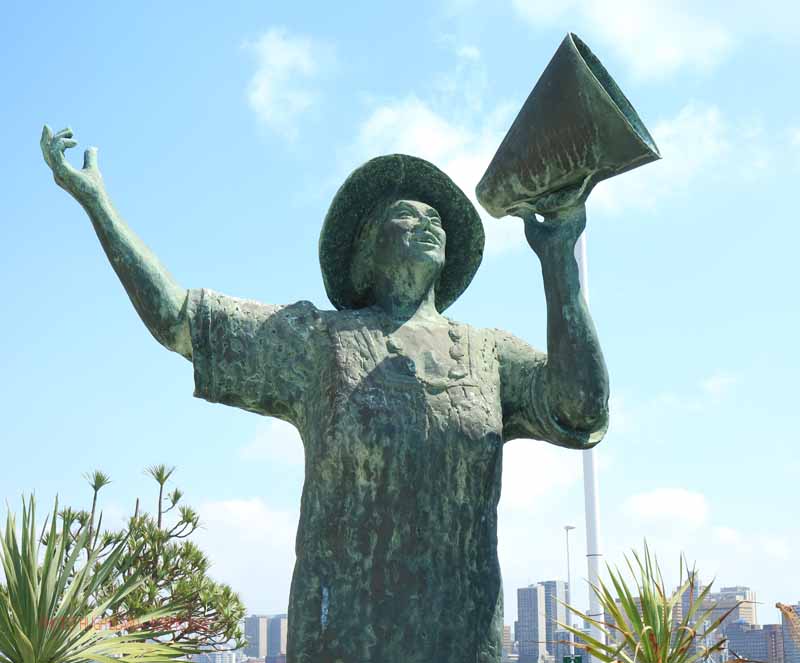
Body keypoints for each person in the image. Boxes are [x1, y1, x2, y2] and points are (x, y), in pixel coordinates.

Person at [41, 125, 609, 663]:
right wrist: (98, 206)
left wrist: (559, 255)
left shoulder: (490, 354)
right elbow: (178, 319)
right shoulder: (319, 342)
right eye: (406, 215)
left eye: (436, 218)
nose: (427, 223)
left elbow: (582, 408)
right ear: (366, 248)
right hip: (340, 637)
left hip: (463, 638)